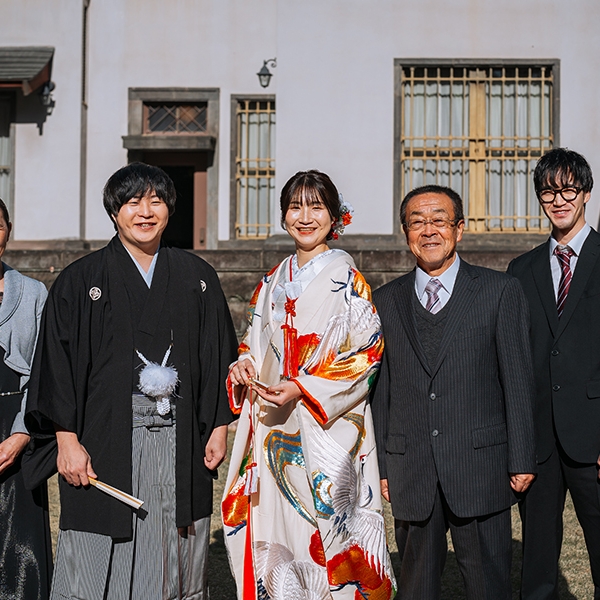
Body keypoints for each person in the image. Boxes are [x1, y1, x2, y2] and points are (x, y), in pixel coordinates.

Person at [24, 163, 238, 600]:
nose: (145, 211)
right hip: (102, 437)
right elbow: (57, 367)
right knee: (98, 540)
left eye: (156, 201)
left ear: (169, 209)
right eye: (133, 202)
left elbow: (218, 355)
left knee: (173, 545)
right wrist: (66, 440)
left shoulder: (197, 277)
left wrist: (218, 427)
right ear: (114, 211)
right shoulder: (80, 280)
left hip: (180, 435)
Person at [222, 170, 395, 600]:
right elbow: (252, 342)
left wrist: (303, 387)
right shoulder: (271, 280)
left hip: (327, 428)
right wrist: (244, 365)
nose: (305, 217)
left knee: (330, 532)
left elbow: (367, 352)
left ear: (335, 216)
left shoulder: (348, 279)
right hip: (274, 426)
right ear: (283, 216)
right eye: (295, 207)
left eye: (316, 207)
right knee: (278, 535)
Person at [371, 184, 536, 600]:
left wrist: (521, 458)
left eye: (439, 221)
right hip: (412, 470)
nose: (428, 230)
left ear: (459, 229)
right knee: (416, 587)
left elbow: (517, 380)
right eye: (417, 222)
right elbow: (381, 391)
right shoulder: (384, 301)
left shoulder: (499, 291)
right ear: (405, 232)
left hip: (480, 467)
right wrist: (383, 467)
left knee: (488, 587)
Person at [507, 148, 600, 599]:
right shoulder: (520, 270)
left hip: (593, 438)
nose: (559, 200)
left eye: (568, 190)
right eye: (548, 192)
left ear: (586, 193)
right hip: (539, 440)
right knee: (538, 564)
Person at [0, 198, 51, 599]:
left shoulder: (33, 293)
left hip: (17, 421)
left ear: (8, 231)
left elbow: (44, 371)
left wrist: (21, 434)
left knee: (21, 541)